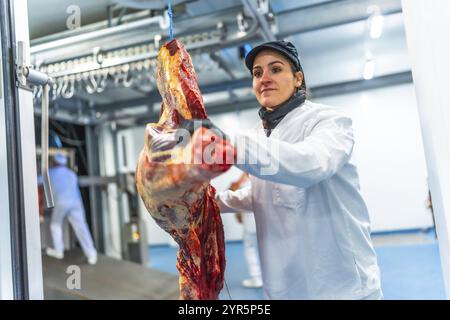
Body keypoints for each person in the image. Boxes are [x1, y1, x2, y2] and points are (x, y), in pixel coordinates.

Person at [183, 40, 383, 299]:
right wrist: (213, 202)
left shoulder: (330, 122)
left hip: (340, 286)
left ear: (298, 78)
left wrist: (229, 144)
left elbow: (310, 164)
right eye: (257, 73)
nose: (264, 78)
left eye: (275, 69)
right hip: (284, 287)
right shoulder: (259, 133)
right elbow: (267, 192)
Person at [41, 153, 98, 265]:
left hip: (62, 203)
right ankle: (92, 254)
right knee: (81, 227)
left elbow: (37, 180)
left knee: (55, 225)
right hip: (76, 202)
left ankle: (59, 251)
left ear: (55, 162)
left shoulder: (51, 173)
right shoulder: (71, 174)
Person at [229, 172, 263, 289]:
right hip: (264, 222)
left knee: (251, 248)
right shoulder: (264, 180)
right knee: (267, 250)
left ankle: (256, 278)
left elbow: (232, 196)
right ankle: (266, 277)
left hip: (251, 222)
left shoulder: (243, 183)